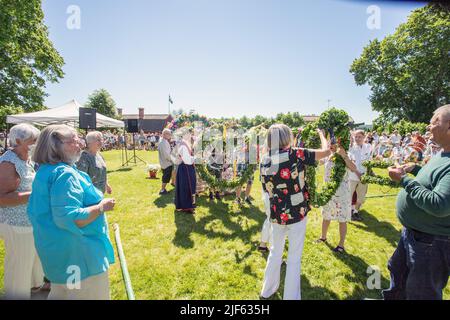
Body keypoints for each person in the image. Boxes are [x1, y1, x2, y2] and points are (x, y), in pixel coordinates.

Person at [28, 124, 116, 300]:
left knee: (63, 292)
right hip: (78, 257)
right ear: (56, 146)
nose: (80, 144)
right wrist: (102, 206)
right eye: (74, 140)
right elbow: (71, 218)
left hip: (59, 253)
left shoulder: (46, 170)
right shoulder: (64, 174)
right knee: (83, 293)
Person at [383, 105, 450, 300]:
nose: (429, 126)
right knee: (399, 278)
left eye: (435, 121)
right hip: (415, 235)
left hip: (431, 243)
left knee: (421, 293)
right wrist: (416, 169)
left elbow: (439, 204)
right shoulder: (443, 152)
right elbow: (435, 181)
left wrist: (404, 180)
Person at [259, 124, 333, 300]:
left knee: (275, 251)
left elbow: (266, 188)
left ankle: (267, 290)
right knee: (294, 257)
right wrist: (322, 135)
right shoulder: (296, 153)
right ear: (287, 137)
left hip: (277, 214)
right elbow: (327, 151)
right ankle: (291, 297)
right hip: (297, 212)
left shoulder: (264, 160)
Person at [0, 124, 44, 299]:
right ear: (17, 141)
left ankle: (33, 289)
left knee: (31, 262)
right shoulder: (8, 163)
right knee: (19, 265)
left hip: (28, 221)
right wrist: (35, 194)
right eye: (32, 141)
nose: (35, 144)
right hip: (15, 223)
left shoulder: (27, 159)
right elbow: (2, 198)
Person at [316, 144, 358, 253]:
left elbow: (353, 168)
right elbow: (318, 162)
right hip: (328, 191)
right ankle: (323, 237)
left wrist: (344, 156)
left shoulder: (347, 154)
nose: (332, 144)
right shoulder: (328, 154)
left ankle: (341, 244)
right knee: (326, 215)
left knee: (342, 218)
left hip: (342, 192)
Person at [348, 130, 372, 221]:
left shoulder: (368, 147)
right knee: (349, 195)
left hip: (364, 177)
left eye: (359, 137)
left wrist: (368, 173)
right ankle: (349, 211)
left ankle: (355, 212)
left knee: (361, 197)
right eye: (356, 137)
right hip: (352, 175)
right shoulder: (351, 147)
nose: (357, 139)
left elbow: (369, 160)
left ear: (364, 137)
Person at [174, 128, 196, 213]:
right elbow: (187, 160)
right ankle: (187, 206)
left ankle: (186, 205)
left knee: (186, 187)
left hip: (185, 168)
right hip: (185, 168)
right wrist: (196, 158)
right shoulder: (183, 145)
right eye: (190, 134)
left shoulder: (186, 143)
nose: (191, 135)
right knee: (186, 187)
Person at [158, 129, 174, 195]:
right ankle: (162, 190)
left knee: (166, 176)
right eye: (169, 134)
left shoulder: (162, 141)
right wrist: (172, 159)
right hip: (166, 163)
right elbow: (166, 155)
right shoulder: (164, 142)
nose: (170, 136)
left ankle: (163, 188)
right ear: (165, 134)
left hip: (164, 162)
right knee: (166, 177)